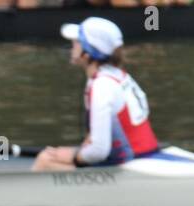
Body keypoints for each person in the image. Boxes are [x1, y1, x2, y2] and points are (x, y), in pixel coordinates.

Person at [33, 16, 160, 172]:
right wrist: (77, 151)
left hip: (131, 163)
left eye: (77, 42)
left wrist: (73, 157)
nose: (72, 46)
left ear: (88, 53)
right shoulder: (117, 75)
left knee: (44, 161)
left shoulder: (102, 86)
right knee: (51, 155)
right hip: (141, 153)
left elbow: (99, 151)